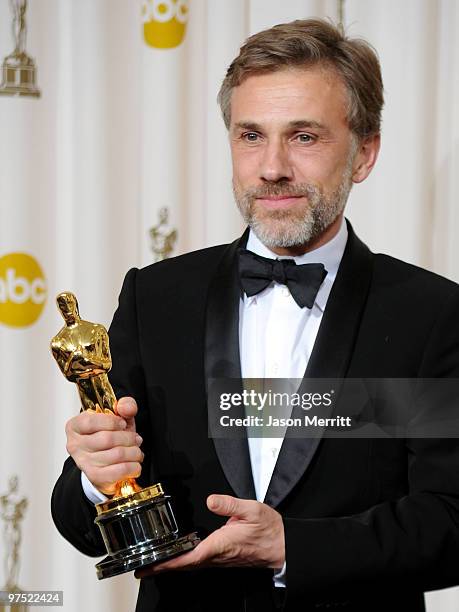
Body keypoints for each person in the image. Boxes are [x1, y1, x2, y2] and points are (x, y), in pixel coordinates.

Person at [51, 18, 459, 612]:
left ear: (364, 153)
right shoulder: (155, 298)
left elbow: (451, 520)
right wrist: (95, 477)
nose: (271, 167)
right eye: (250, 136)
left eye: (304, 137)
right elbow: (80, 523)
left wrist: (292, 546)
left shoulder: (431, 315)